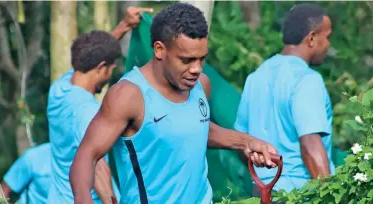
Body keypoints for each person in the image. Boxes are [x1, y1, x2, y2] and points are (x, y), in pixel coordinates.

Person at [69, 3, 278, 204]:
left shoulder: (200, 85)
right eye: (187, 60)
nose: (196, 68)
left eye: (201, 59)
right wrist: (83, 199)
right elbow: (87, 155)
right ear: (160, 50)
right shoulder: (128, 96)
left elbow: (195, 127)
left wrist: (247, 142)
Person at [46, 7, 153, 204]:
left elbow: (92, 55)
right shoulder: (87, 111)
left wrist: (124, 26)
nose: (110, 75)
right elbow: (97, 167)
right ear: (101, 68)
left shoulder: (58, 90)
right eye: (110, 70)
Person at [234, 3, 335, 194]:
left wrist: (264, 172)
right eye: (327, 37)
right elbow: (310, 144)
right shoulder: (307, 80)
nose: (328, 45)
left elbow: (241, 142)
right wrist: (329, 195)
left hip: (262, 191)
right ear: (311, 38)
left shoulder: (256, 77)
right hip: (300, 194)